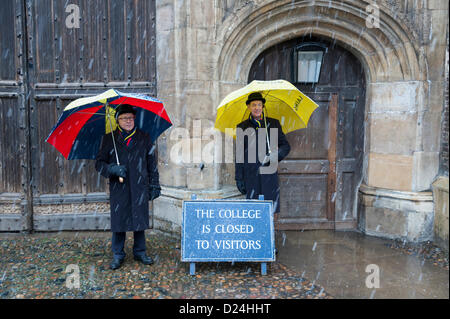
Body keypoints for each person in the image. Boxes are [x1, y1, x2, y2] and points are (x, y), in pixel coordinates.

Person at [95, 104, 161, 270]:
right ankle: (118, 254)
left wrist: (154, 184)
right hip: (120, 187)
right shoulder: (109, 139)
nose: (128, 121)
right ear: (118, 120)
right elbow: (99, 163)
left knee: (139, 219)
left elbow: (151, 163)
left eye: (131, 118)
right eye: (124, 118)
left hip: (139, 185)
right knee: (119, 221)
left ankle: (140, 251)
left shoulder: (144, 137)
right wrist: (112, 169)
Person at [235, 92, 291, 218]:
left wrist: (275, 155)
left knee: (269, 210)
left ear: (263, 107)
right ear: (248, 107)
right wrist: (239, 178)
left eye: (259, 105)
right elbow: (239, 155)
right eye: (253, 105)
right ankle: (255, 235)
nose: (257, 108)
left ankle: (268, 235)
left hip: (268, 175)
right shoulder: (242, 127)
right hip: (251, 176)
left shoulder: (274, 124)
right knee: (253, 210)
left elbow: (286, 146)